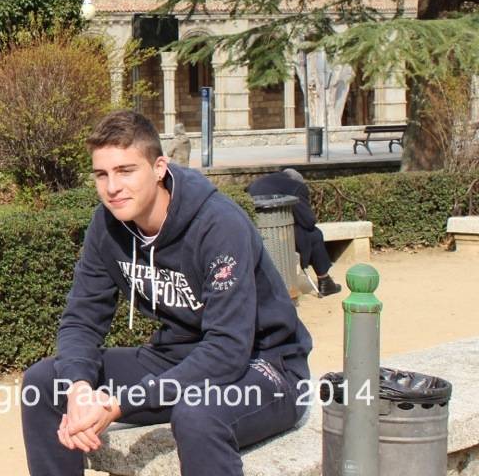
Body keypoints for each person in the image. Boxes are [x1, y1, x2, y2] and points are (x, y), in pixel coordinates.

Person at [21, 110, 312, 476]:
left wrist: (121, 403)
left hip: (265, 366)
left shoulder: (218, 225)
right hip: (176, 358)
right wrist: (79, 388)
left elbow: (227, 349)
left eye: (126, 171)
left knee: (198, 414)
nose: (112, 187)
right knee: (44, 383)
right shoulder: (107, 225)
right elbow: (81, 319)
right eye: (102, 174)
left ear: (159, 168)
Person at [247, 168, 342, 297]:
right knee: (314, 234)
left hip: (254, 232)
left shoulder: (258, 182)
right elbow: (308, 222)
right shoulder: (296, 187)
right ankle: (325, 281)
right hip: (279, 235)